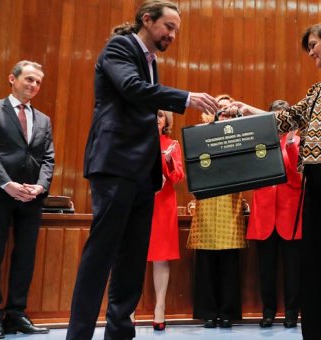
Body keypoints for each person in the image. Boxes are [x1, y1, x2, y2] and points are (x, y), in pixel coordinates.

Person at [66, 1, 218, 339]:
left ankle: (120, 332)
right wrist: (187, 97)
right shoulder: (119, 47)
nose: (172, 35)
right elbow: (133, 90)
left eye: (176, 29)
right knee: (101, 254)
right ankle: (78, 335)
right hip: (115, 164)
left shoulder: (152, 63)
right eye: (168, 26)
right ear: (146, 20)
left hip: (142, 173)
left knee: (132, 258)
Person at [229, 18, 321, 340]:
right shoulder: (317, 88)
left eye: (313, 45)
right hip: (315, 181)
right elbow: (285, 119)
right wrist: (244, 111)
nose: (310, 52)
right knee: (315, 264)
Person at [0, 60, 54, 339]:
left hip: (31, 198)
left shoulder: (43, 119)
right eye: (29, 79)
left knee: (25, 257)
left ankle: (17, 313)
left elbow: (48, 159)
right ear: (12, 78)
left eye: (38, 82)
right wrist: (7, 184)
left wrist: (41, 187)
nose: (33, 85)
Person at [186, 110, 247, 329]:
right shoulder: (203, 138)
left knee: (229, 262)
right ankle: (208, 313)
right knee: (206, 261)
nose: (224, 117)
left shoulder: (241, 139)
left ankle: (227, 313)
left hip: (230, 206)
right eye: (221, 112)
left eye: (229, 114)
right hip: (207, 205)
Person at [246, 99, 302, 329]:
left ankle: (292, 313)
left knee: (293, 270)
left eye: (283, 115)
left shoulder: (298, 140)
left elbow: (299, 178)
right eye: (275, 115)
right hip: (264, 215)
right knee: (266, 270)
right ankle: (268, 312)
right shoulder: (259, 143)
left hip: (291, 215)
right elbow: (251, 174)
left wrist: (290, 145)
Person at [147, 110, 185, 331]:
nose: (156, 118)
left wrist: (168, 162)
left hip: (162, 205)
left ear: (166, 121)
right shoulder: (135, 140)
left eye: (160, 115)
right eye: (152, 114)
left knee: (161, 257)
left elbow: (178, 176)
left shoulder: (172, 144)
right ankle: (127, 310)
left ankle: (159, 308)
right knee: (133, 255)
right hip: (139, 203)